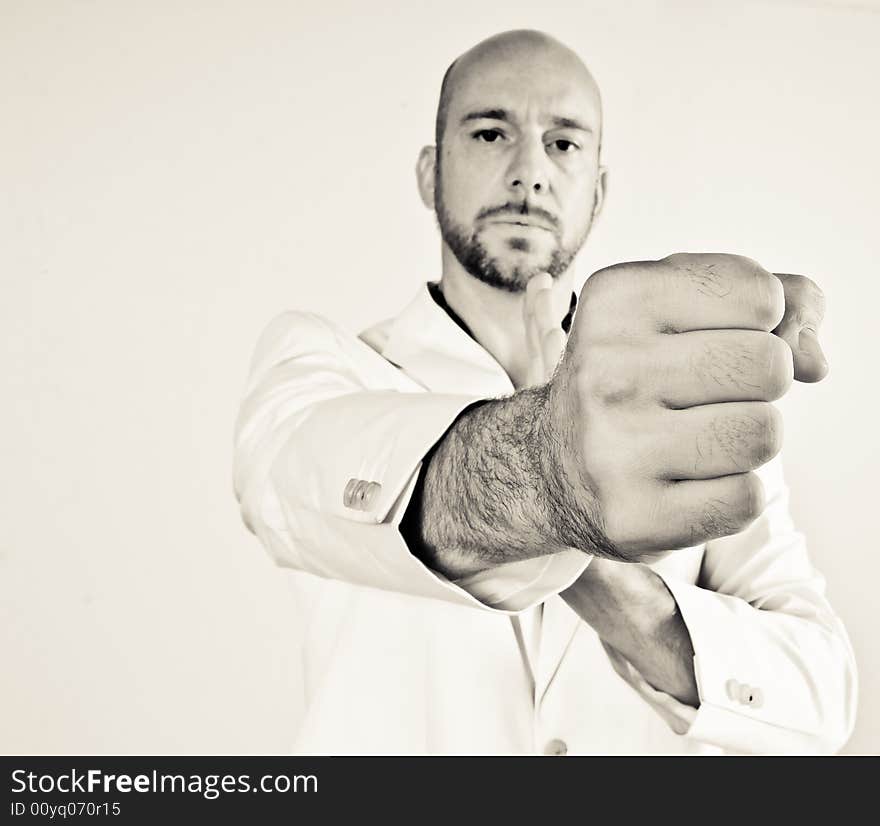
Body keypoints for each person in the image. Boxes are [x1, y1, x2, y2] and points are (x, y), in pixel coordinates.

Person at [233, 29, 857, 754]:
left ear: (597, 190)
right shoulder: (326, 366)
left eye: (563, 143)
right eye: (492, 132)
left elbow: (818, 701)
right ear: (430, 173)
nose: (529, 172)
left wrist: (630, 602)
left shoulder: (694, 408)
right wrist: (548, 469)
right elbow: (290, 494)